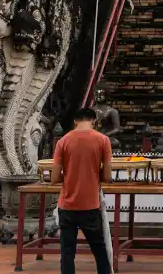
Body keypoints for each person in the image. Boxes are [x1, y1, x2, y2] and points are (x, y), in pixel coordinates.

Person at [51, 106, 113, 274]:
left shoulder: (63, 141)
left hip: (67, 206)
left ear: (75, 122)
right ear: (94, 121)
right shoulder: (103, 140)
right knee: (99, 248)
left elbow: (54, 178)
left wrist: (69, 175)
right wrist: (93, 174)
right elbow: (107, 176)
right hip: (90, 205)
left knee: (67, 252)